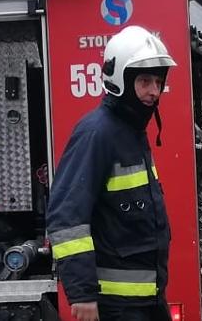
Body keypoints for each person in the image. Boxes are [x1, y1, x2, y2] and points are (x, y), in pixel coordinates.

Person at [46, 26, 177, 321]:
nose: (154, 91)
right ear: (120, 81)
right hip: (115, 306)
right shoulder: (98, 133)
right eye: (144, 81)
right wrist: (82, 294)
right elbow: (67, 218)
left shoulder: (131, 132)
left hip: (147, 302)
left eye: (158, 81)